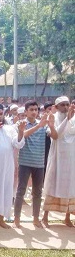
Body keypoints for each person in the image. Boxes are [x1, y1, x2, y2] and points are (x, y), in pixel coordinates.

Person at [13, 100, 58, 228]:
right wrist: (39, 126)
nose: (34, 112)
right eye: (31, 109)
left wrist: (52, 125)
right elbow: (22, 137)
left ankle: (35, 218)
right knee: (20, 191)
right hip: (24, 162)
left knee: (37, 192)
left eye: (36, 109)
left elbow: (55, 136)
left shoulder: (44, 124)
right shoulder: (20, 123)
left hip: (39, 162)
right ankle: (17, 218)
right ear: (26, 111)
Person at [42, 96, 75, 227]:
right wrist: (67, 120)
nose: (66, 107)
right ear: (56, 107)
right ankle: (45, 217)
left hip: (71, 160)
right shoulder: (53, 119)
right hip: (57, 158)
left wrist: (70, 119)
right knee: (52, 184)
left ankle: (67, 217)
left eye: (67, 104)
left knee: (71, 186)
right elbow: (55, 136)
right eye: (62, 105)